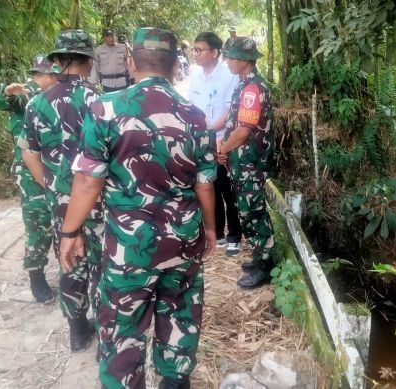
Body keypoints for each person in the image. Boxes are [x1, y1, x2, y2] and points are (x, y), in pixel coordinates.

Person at [60, 27, 217, 388]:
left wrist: (70, 231)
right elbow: (205, 184)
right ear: (176, 64)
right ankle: (175, 380)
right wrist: (209, 229)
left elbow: (87, 181)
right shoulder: (195, 116)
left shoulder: (105, 109)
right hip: (183, 241)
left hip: (129, 249)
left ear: (131, 61)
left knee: (122, 330)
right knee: (180, 314)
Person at [18, 29, 105, 352]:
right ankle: (106, 338)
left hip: (61, 205)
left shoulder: (37, 104)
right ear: (88, 61)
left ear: (56, 61)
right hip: (96, 201)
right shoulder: (101, 102)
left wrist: (51, 185)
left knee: (69, 261)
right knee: (100, 264)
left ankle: (77, 329)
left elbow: (29, 153)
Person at [0, 55, 60, 303]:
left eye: (47, 74)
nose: (42, 79)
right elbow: (5, 98)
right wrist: (7, 92)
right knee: (38, 222)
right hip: (31, 174)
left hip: (58, 169)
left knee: (63, 222)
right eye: (38, 74)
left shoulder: (61, 96)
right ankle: (36, 274)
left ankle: (67, 270)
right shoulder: (27, 94)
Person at [217, 37, 275, 289]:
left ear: (243, 61)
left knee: (253, 211)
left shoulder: (252, 89)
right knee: (247, 210)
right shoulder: (244, 84)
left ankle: (264, 263)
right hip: (243, 162)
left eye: (230, 56)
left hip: (250, 162)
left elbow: (243, 131)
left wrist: (224, 149)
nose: (227, 60)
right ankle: (259, 256)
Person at [188, 31, 242, 257]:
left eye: (200, 50)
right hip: (202, 140)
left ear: (214, 53)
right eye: (195, 50)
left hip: (223, 140)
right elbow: (190, 106)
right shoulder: (195, 76)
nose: (196, 54)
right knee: (208, 185)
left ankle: (235, 236)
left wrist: (211, 131)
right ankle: (218, 231)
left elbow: (230, 110)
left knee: (227, 188)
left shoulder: (229, 76)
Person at [89, 28, 131, 92]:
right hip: (106, 83)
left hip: (122, 82)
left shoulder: (124, 48)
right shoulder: (98, 50)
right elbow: (95, 67)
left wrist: (133, 78)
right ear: (104, 38)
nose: (111, 38)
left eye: (113, 36)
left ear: (116, 37)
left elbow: (130, 62)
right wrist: (93, 83)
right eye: (108, 36)